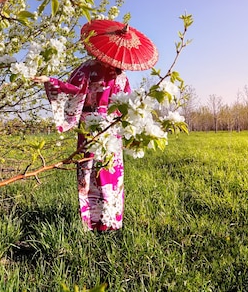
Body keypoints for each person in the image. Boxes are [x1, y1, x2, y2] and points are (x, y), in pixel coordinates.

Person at [33, 20, 157, 231]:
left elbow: (72, 91)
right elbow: (126, 106)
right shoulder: (121, 76)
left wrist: (50, 81)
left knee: (93, 172)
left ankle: (93, 221)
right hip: (110, 130)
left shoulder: (89, 68)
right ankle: (109, 222)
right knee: (109, 173)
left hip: (91, 127)